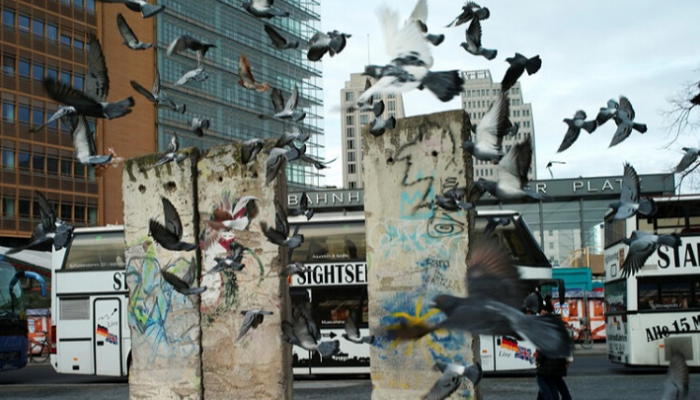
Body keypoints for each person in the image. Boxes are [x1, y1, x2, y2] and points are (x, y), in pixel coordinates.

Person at [535, 296, 572, 400]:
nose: (539, 312)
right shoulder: (556, 321)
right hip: (557, 360)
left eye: (541, 310)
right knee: (553, 381)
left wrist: (539, 359)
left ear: (544, 310)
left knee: (541, 378)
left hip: (550, 361)